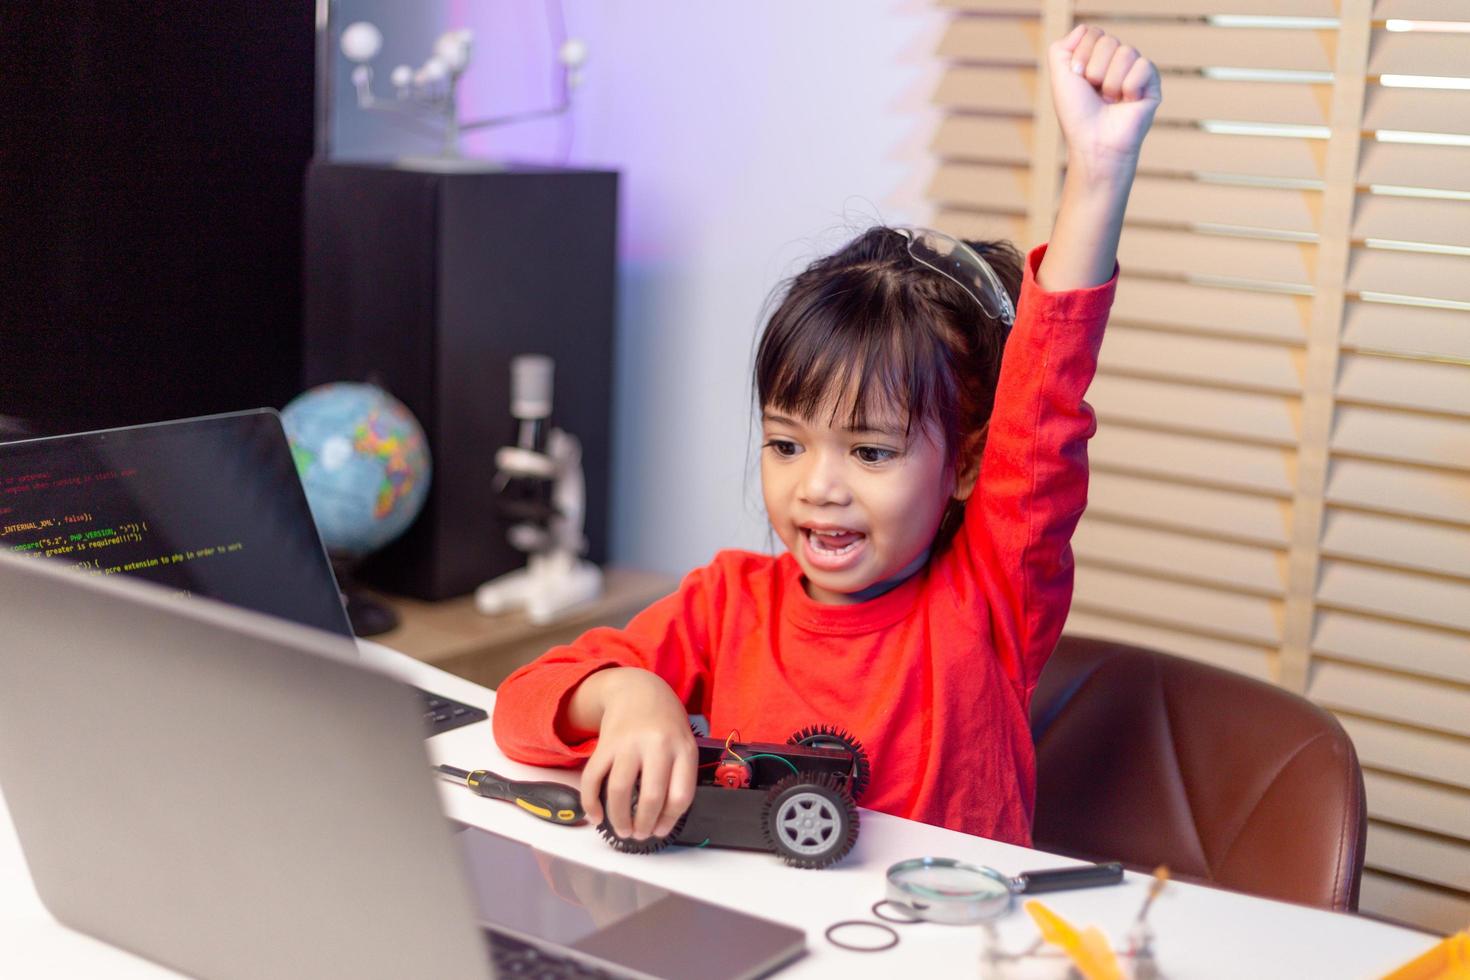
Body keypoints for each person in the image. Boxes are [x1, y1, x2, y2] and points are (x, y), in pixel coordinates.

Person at [493, 25, 1161, 847]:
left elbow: (1044, 404)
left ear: (967, 464)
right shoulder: (725, 604)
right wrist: (631, 696)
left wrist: (1097, 173)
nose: (818, 486)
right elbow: (523, 704)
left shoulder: (992, 598)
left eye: (871, 451)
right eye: (786, 444)